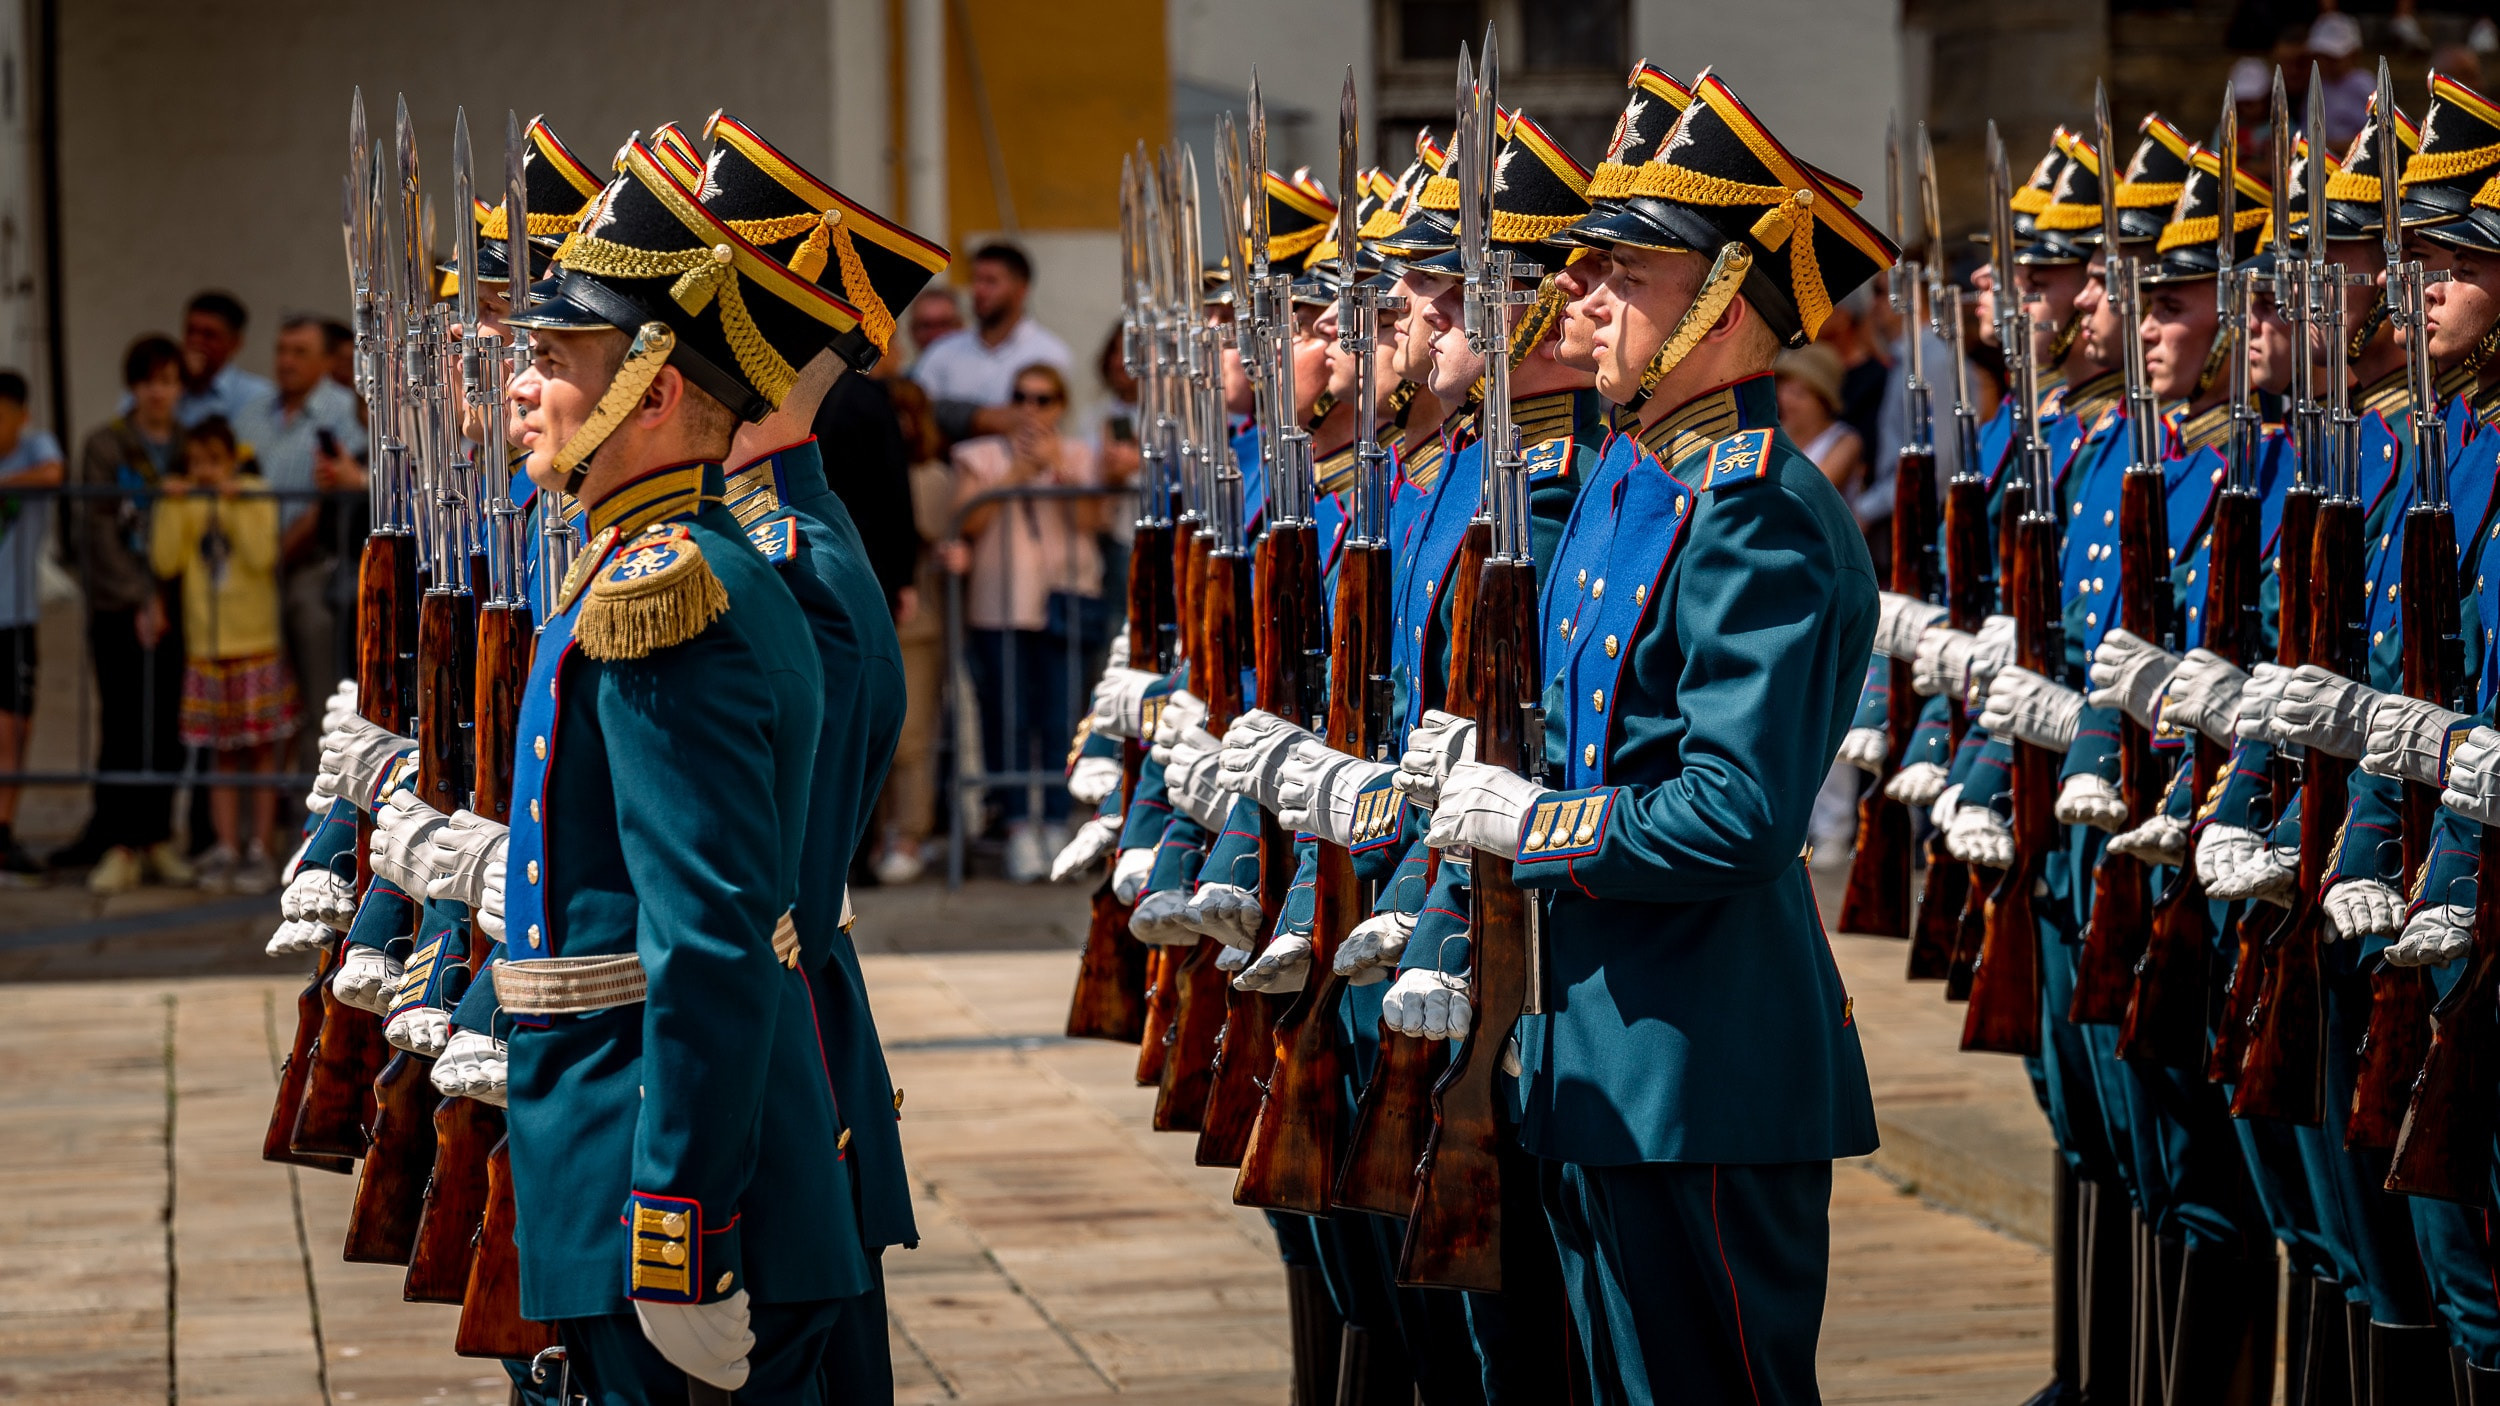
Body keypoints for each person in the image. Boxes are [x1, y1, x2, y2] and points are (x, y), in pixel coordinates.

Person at [1393, 74, 1894, 1404]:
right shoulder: (1637, 480)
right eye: (1588, 266)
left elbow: (1736, 811)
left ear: (1726, 301)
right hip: (1593, 1050)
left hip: (1703, 1063)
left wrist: (1531, 823)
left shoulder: (1757, 515)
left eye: (1626, 272)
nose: (1581, 298)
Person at [951, 361, 1102, 881]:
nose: (1032, 409)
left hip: (1065, 602)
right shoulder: (979, 456)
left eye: (1044, 399)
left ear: (1060, 405)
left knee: (1063, 717)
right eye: (1022, 397)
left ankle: (1057, 823)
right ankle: (1017, 826)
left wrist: (1057, 468)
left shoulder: (1080, 454)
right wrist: (1015, 473)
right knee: (1007, 719)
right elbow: (966, 523)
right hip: (1000, 608)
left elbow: (1092, 521)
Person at [59, 336, 192, 893]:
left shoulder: (191, 445)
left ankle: (157, 839)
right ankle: (118, 843)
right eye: (148, 382)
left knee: (167, 725)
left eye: (167, 381)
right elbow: (96, 533)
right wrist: (141, 597)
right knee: (122, 722)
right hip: (120, 606)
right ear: (132, 387)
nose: (158, 392)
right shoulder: (104, 445)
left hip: (181, 603)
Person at [151, 416, 297, 892]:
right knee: (221, 755)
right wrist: (173, 507)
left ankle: (259, 846)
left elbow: (261, 555)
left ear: (231, 459)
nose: (206, 471)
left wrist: (231, 505)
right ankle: (227, 845)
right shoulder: (188, 500)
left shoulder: (253, 492)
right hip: (208, 645)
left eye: (214, 461)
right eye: (196, 462)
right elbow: (165, 559)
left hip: (255, 640)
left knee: (259, 752)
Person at [231, 315, 367, 771]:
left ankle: (315, 812)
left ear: (329, 359)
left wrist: (273, 561)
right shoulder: (251, 415)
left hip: (308, 566)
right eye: (281, 350)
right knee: (253, 700)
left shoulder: (346, 412)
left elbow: (321, 505)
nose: (286, 362)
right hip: (245, 574)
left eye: (300, 352)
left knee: (319, 694)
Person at [873, 378, 950, 884]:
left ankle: (909, 834)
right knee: (876, 733)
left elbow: (924, 528)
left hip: (915, 621)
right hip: (879, 615)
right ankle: (878, 836)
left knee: (911, 737)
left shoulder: (929, 476)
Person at [912, 243, 1072, 445]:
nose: (979, 290)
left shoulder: (1048, 353)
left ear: (1021, 289)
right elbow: (916, 411)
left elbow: (1040, 424)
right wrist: (984, 419)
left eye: (991, 281)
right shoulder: (943, 351)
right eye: (975, 280)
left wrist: (953, 417)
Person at [0, 371, 60, 877]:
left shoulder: (35, 445)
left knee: (14, 727)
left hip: (14, 613)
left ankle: (4, 830)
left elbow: (52, 471)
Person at [170, 291, 274, 428]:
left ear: (235, 343)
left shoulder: (258, 396)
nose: (196, 341)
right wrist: (178, 380)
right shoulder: (161, 387)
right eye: (190, 331)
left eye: (209, 335)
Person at [904, 286, 966, 370]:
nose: (935, 334)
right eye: (926, 326)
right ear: (912, 330)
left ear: (960, 326)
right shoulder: (902, 380)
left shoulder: (983, 376)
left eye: (943, 324)